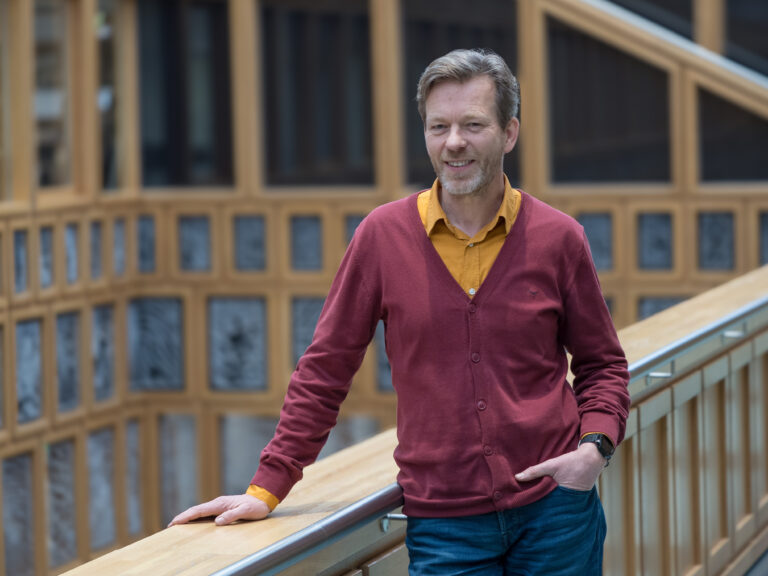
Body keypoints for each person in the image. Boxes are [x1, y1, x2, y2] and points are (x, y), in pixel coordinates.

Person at [170, 48, 630, 575]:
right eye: (439, 126)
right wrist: (268, 486)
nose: (453, 142)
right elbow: (326, 369)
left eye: (473, 125)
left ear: (509, 133)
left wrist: (594, 449)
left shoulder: (558, 238)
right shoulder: (382, 238)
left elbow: (603, 365)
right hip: (446, 526)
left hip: (557, 513)